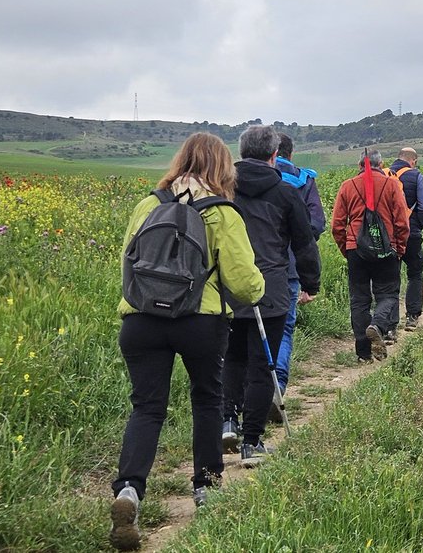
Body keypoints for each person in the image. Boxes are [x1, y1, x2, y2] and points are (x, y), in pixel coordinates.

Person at [111, 133, 265, 551]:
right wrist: (257, 287)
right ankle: (207, 487)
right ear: (222, 167)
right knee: (207, 400)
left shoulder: (149, 203)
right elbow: (245, 285)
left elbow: (128, 261)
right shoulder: (222, 212)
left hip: (141, 320)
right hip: (199, 320)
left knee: (146, 407)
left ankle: (128, 489)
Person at [220, 125, 320, 468]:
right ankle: (252, 443)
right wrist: (310, 283)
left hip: (228, 288)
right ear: (274, 155)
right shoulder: (285, 192)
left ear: (242, 152)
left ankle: (227, 422)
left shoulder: (223, 188)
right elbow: (304, 243)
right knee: (262, 365)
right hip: (272, 288)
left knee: (232, 358)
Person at [331, 149, 410, 361]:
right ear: (381, 164)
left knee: (359, 299)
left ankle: (363, 353)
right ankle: (377, 325)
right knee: (388, 294)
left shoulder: (347, 186)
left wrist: (347, 249)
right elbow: (402, 222)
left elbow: (337, 225)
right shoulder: (392, 185)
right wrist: (399, 249)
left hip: (356, 248)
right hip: (386, 249)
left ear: (360, 166)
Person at [274, 133, 325, 393]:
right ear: (291, 153)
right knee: (284, 327)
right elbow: (316, 224)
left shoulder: (243, 178)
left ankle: (242, 400)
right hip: (291, 266)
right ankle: (277, 386)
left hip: (249, 264)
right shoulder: (304, 180)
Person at [385, 147, 423, 330]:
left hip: (389, 236)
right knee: (415, 273)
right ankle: (412, 317)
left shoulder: (385, 174)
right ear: (413, 161)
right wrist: (419, 225)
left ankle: (390, 326)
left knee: (390, 279)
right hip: (411, 235)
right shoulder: (416, 176)